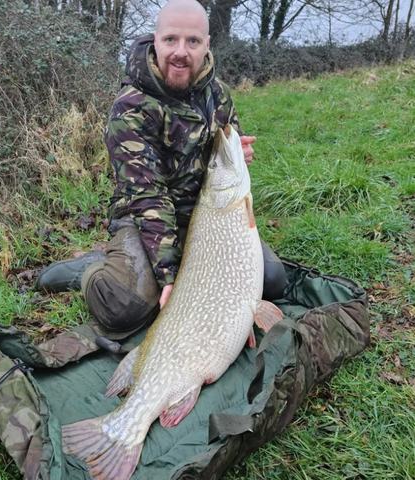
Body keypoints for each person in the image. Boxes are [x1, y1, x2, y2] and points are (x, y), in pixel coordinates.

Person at [36, 0, 287, 337]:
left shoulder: (219, 95)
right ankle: (89, 271)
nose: (180, 52)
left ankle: (175, 260)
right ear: (155, 40)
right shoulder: (130, 108)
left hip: (204, 215)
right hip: (143, 216)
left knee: (273, 281)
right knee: (123, 309)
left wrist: (239, 154)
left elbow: (225, 156)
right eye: (171, 40)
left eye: (192, 41)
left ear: (207, 45)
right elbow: (148, 196)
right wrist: (167, 274)